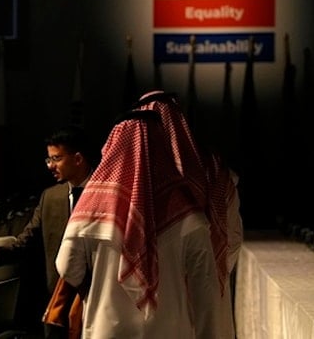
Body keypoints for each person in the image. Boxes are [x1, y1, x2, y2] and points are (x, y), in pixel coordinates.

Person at [54, 108, 221, 338]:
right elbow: (205, 289)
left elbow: (67, 269)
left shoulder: (90, 207)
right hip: (170, 330)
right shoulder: (188, 215)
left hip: (108, 329)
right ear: (162, 150)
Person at [133, 90, 243, 339]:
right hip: (207, 286)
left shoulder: (135, 179)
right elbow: (233, 239)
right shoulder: (214, 171)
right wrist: (211, 273)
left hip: (149, 294)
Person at [0, 127, 95, 310]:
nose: (50, 166)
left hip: (97, 298)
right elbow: (25, 241)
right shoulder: (50, 197)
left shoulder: (107, 192)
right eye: (48, 159)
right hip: (58, 301)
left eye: (56, 158)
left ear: (77, 159)